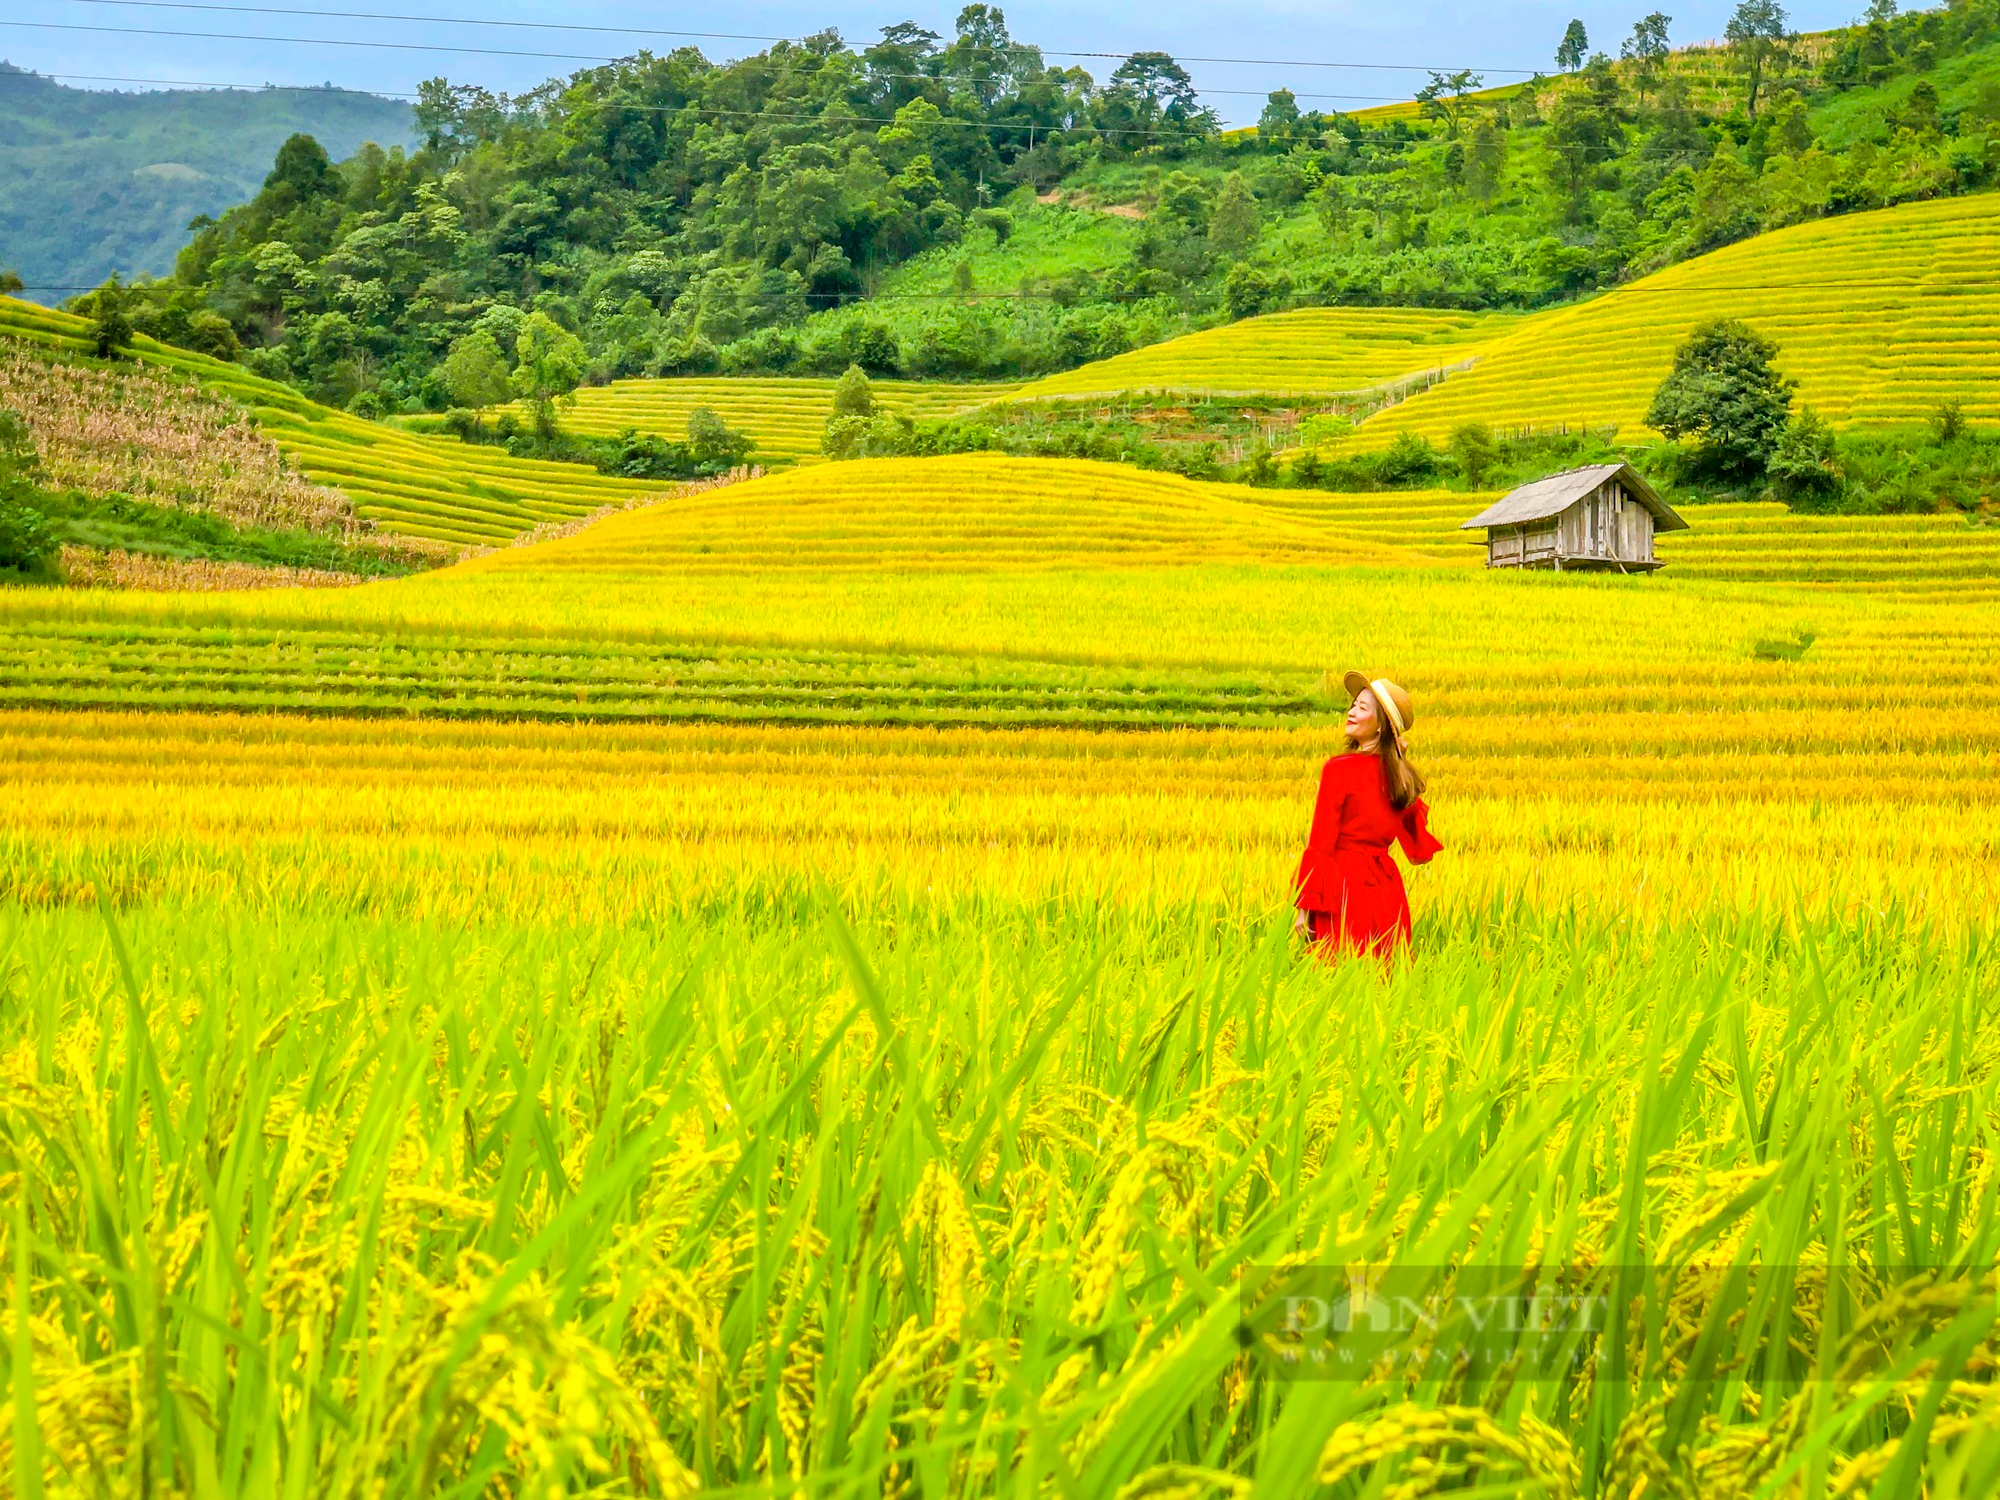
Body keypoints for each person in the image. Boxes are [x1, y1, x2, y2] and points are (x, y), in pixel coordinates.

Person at [1293, 672, 1443, 957]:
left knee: (1337, 978)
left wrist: (1305, 906)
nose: (1351, 712)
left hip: (1342, 890)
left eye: (1362, 708)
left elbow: (1321, 843)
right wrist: (1399, 760)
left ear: (1380, 727)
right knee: (1386, 983)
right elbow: (1419, 848)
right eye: (1353, 705)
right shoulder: (1402, 776)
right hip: (1386, 892)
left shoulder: (1338, 769)